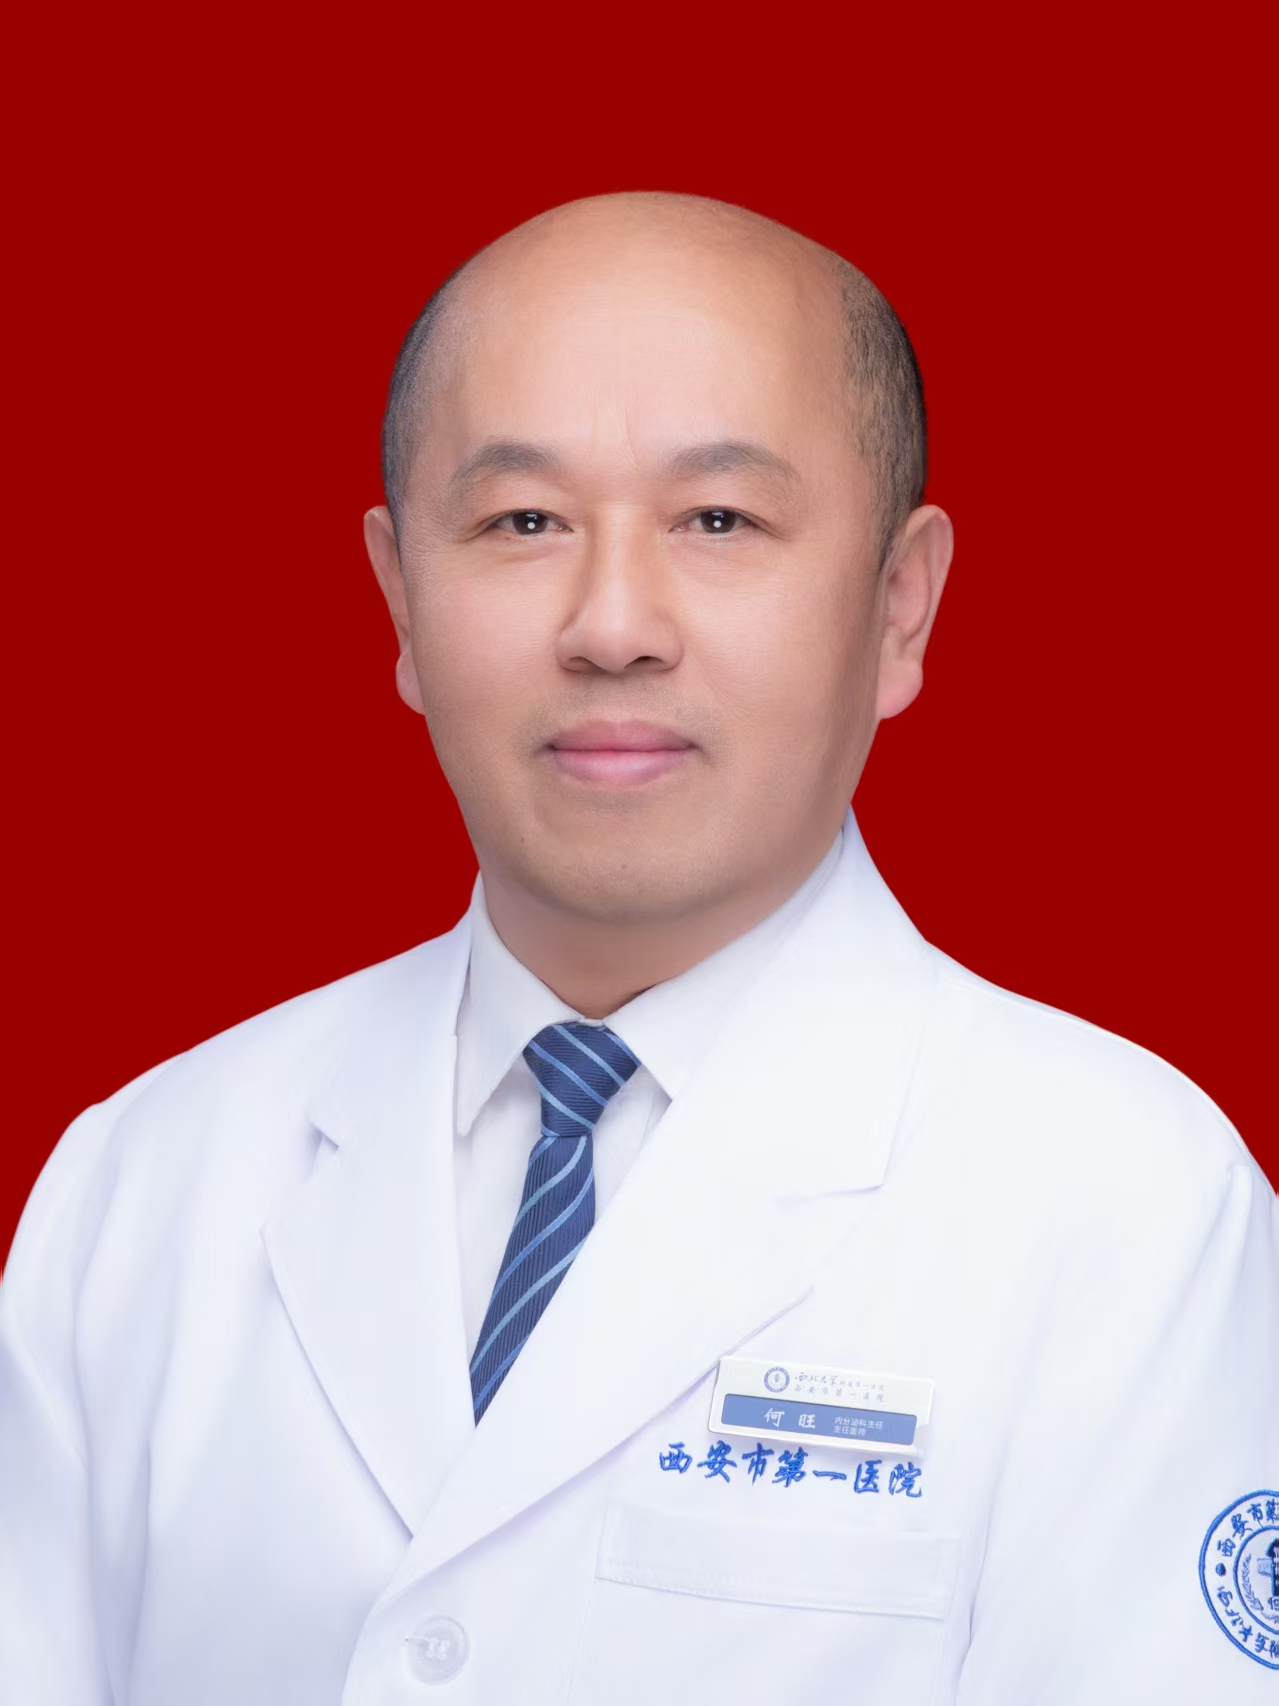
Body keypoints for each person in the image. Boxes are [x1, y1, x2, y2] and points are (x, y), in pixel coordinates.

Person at [1, 191, 1274, 1705]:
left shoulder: (1129, 1207)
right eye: (522, 522)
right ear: (400, 597)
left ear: (898, 606)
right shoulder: (143, 1178)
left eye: (718, 521)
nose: (612, 625)